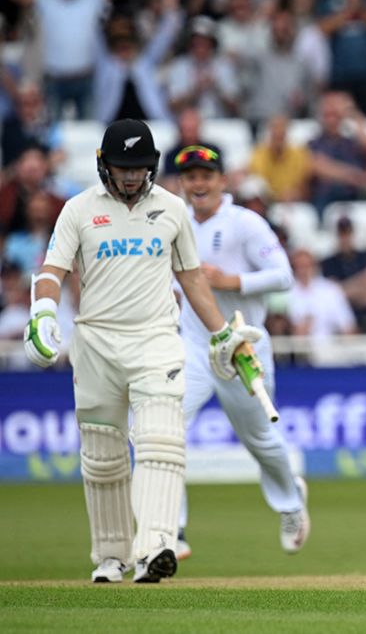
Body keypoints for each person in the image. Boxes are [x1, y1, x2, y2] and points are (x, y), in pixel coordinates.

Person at [22, 119, 261, 583]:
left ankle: (156, 548)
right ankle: (111, 558)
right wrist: (43, 312)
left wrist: (221, 335)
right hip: (95, 343)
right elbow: (53, 269)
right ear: (102, 165)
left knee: (161, 441)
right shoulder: (77, 209)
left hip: (155, 338)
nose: (131, 177)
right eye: (121, 167)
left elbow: (192, 277)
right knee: (103, 457)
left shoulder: (172, 209)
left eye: (139, 168)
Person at [172, 144, 310, 561]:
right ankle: (169, 530)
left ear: (222, 180)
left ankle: (291, 504)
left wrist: (231, 280)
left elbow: (283, 276)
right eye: (191, 177)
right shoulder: (173, 224)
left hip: (242, 345)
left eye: (206, 176)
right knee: (161, 429)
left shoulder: (245, 224)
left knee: (261, 439)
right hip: (193, 345)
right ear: (183, 182)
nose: (199, 184)